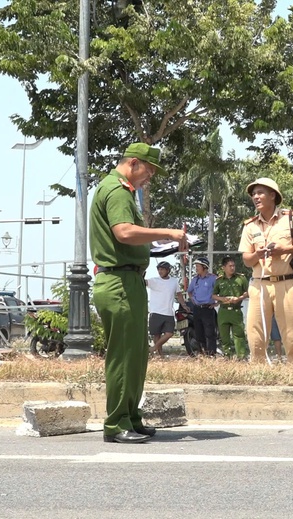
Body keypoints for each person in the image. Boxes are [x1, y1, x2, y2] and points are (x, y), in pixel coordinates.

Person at [90, 142, 187, 444]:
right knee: (122, 356)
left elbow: (131, 238)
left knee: (136, 355)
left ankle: (131, 417)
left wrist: (160, 246)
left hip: (128, 280)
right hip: (118, 283)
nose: (150, 178)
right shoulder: (118, 190)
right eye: (149, 171)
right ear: (133, 163)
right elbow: (125, 232)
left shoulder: (121, 190)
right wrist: (167, 233)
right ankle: (116, 423)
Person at [238, 177, 293, 365]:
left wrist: (285, 249)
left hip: (286, 283)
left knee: (292, 331)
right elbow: (246, 260)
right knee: (255, 330)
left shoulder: (292, 218)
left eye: (260, 193)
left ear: (273, 196)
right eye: (253, 194)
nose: (256, 197)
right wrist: (257, 254)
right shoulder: (250, 225)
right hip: (259, 284)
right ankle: (257, 369)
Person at [145, 260, 187, 357]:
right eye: (159, 269)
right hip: (155, 312)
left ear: (168, 270)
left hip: (168, 312)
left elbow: (179, 294)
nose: (160, 271)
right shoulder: (154, 280)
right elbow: (144, 282)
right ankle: (160, 355)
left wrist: (184, 305)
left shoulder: (174, 281)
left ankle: (154, 348)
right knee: (157, 335)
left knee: (169, 333)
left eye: (162, 269)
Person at [212, 256, 249, 360]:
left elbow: (247, 292)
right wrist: (222, 299)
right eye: (230, 266)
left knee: (239, 335)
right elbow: (213, 295)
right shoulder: (219, 280)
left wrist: (239, 298)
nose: (232, 268)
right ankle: (227, 356)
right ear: (224, 267)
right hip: (223, 311)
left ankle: (241, 357)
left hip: (236, 310)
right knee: (224, 336)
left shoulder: (241, 278)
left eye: (233, 266)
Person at [186, 256, 218, 356]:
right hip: (197, 309)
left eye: (198, 266)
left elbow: (221, 291)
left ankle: (211, 354)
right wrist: (193, 300)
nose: (196, 268)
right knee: (199, 333)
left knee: (210, 333)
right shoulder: (195, 279)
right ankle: (202, 353)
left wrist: (217, 303)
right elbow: (189, 291)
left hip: (208, 309)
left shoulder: (213, 278)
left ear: (204, 267)